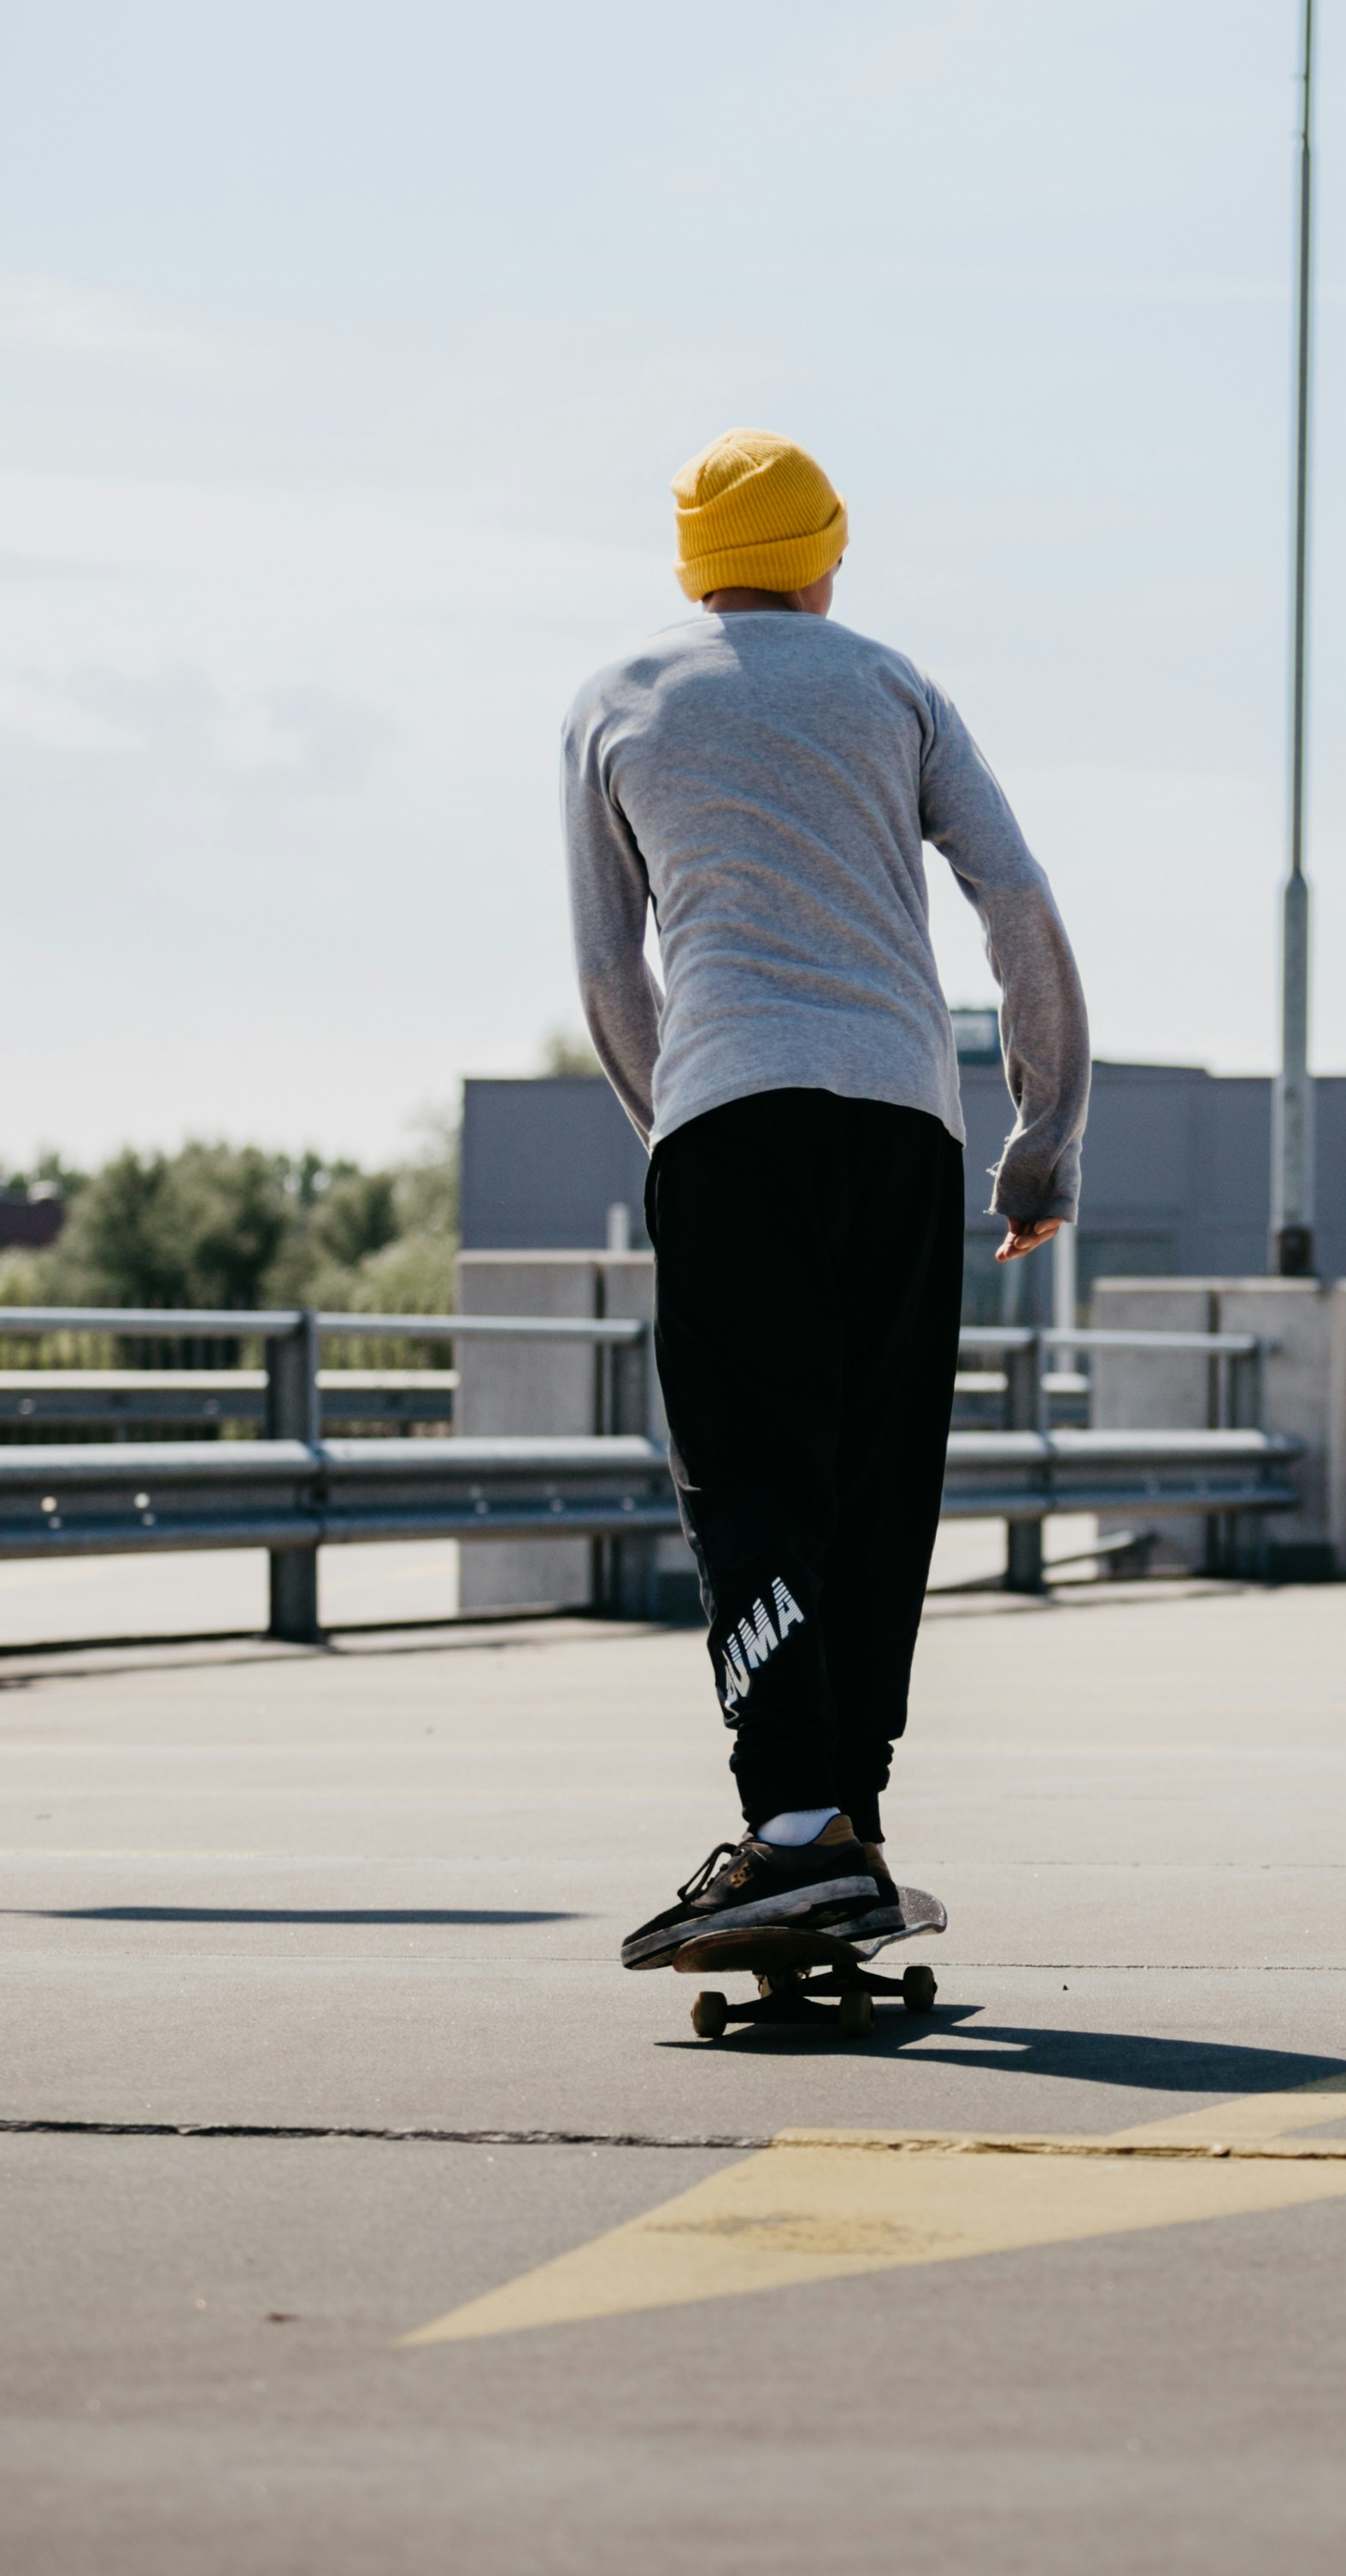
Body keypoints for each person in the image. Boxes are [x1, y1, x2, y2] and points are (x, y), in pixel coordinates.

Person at [564, 428, 1089, 1973]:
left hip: (729, 1118)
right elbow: (1015, 897)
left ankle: (791, 1826)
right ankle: (843, 1812)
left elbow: (608, 966)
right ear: (827, 550)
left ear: (688, 564)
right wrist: (1041, 1128)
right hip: (904, 1134)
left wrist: (677, 1127)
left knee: (746, 1468)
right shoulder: (890, 686)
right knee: (875, 1475)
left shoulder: (617, 701)